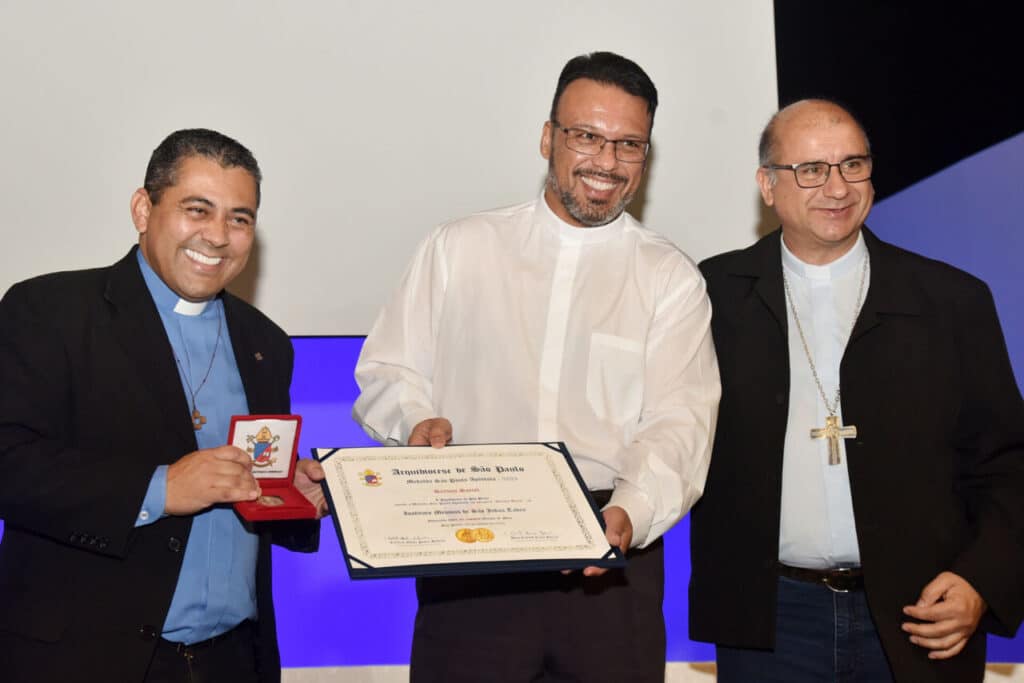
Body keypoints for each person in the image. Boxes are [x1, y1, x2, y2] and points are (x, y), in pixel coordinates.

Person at [352, 51, 720, 682]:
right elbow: (388, 371)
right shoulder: (459, 248)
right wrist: (415, 422)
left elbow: (679, 422)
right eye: (586, 137)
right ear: (548, 137)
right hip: (470, 554)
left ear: (646, 156)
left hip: (611, 561)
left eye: (628, 144)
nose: (606, 162)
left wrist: (631, 511)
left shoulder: (669, 277)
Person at [688, 99, 1024, 682]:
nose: (837, 187)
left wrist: (982, 582)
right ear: (767, 186)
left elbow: (1009, 465)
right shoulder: (709, 295)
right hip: (770, 623)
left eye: (853, 164)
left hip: (920, 616)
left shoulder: (952, 301)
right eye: (811, 169)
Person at [0, 129, 328, 682]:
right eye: (197, 210)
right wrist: (160, 489)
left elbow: (254, 490)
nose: (218, 236)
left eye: (239, 218)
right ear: (142, 208)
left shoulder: (267, 343)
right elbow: (9, 463)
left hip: (232, 660)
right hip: (83, 659)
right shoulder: (49, 310)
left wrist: (292, 494)